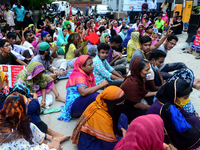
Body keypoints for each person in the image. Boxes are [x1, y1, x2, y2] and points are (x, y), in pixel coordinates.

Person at [147, 79, 200, 149]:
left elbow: (186, 114)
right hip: (161, 137)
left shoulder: (169, 101)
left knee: (195, 120)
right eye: (185, 98)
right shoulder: (167, 110)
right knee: (194, 137)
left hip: (167, 128)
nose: (187, 100)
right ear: (175, 95)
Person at [71, 86, 128, 150]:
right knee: (126, 142)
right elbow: (110, 146)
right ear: (112, 104)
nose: (123, 105)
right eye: (120, 104)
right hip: (89, 145)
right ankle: (117, 137)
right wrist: (124, 139)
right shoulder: (101, 118)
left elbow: (114, 117)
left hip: (96, 136)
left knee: (123, 117)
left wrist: (122, 129)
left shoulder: (102, 103)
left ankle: (117, 135)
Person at [57, 55, 108, 122]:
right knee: (95, 96)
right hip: (73, 108)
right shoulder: (79, 76)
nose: (93, 66)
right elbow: (83, 92)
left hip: (79, 102)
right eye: (90, 64)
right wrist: (100, 85)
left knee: (99, 96)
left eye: (92, 63)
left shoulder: (88, 74)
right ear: (82, 67)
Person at [121, 58, 157, 123]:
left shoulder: (138, 78)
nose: (149, 72)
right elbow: (136, 105)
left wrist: (157, 93)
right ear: (138, 71)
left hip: (135, 103)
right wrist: (151, 107)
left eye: (150, 69)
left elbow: (143, 93)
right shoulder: (132, 83)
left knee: (155, 98)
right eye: (147, 70)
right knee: (152, 112)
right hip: (128, 110)